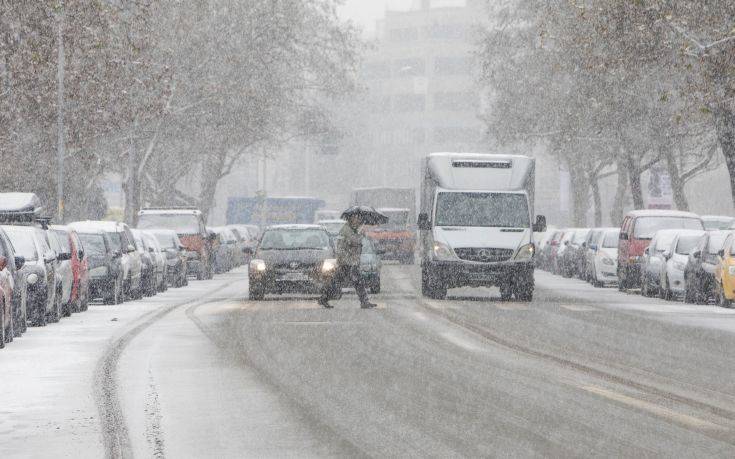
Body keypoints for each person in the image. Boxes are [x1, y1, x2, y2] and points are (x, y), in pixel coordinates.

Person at [318, 214, 377, 309]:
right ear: (351, 219)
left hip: (350, 261)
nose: (358, 221)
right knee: (356, 281)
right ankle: (364, 301)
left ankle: (324, 298)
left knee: (341, 281)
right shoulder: (347, 230)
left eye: (359, 219)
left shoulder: (352, 229)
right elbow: (353, 241)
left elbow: (355, 244)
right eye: (357, 218)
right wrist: (361, 234)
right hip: (347, 261)